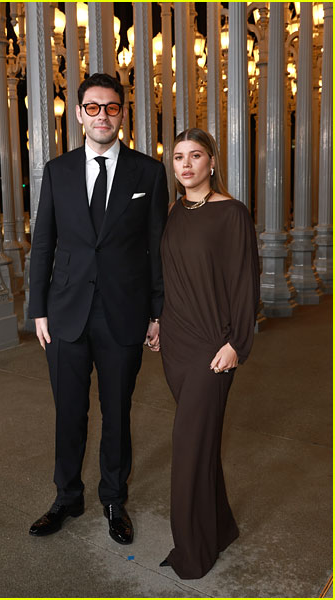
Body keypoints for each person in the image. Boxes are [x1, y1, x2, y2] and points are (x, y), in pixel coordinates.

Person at [28, 73, 168, 544]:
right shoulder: (58, 170)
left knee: (117, 412)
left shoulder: (147, 173)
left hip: (123, 313)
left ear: (122, 113)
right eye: (93, 107)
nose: (102, 115)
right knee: (69, 411)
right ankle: (66, 497)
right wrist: (38, 310)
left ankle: (114, 498)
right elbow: (43, 243)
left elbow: (157, 248)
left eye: (111, 107)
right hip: (65, 312)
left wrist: (157, 313)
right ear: (80, 113)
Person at [158, 128, 260, 579]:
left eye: (195, 155)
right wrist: (158, 321)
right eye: (178, 157)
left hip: (214, 346)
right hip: (175, 343)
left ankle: (193, 549)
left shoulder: (233, 214)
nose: (185, 164)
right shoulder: (174, 212)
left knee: (187, 446)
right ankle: (219, 529)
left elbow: (244, 283)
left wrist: (237, 343)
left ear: (211, 163)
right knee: (200, 446)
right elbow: (171, 277)